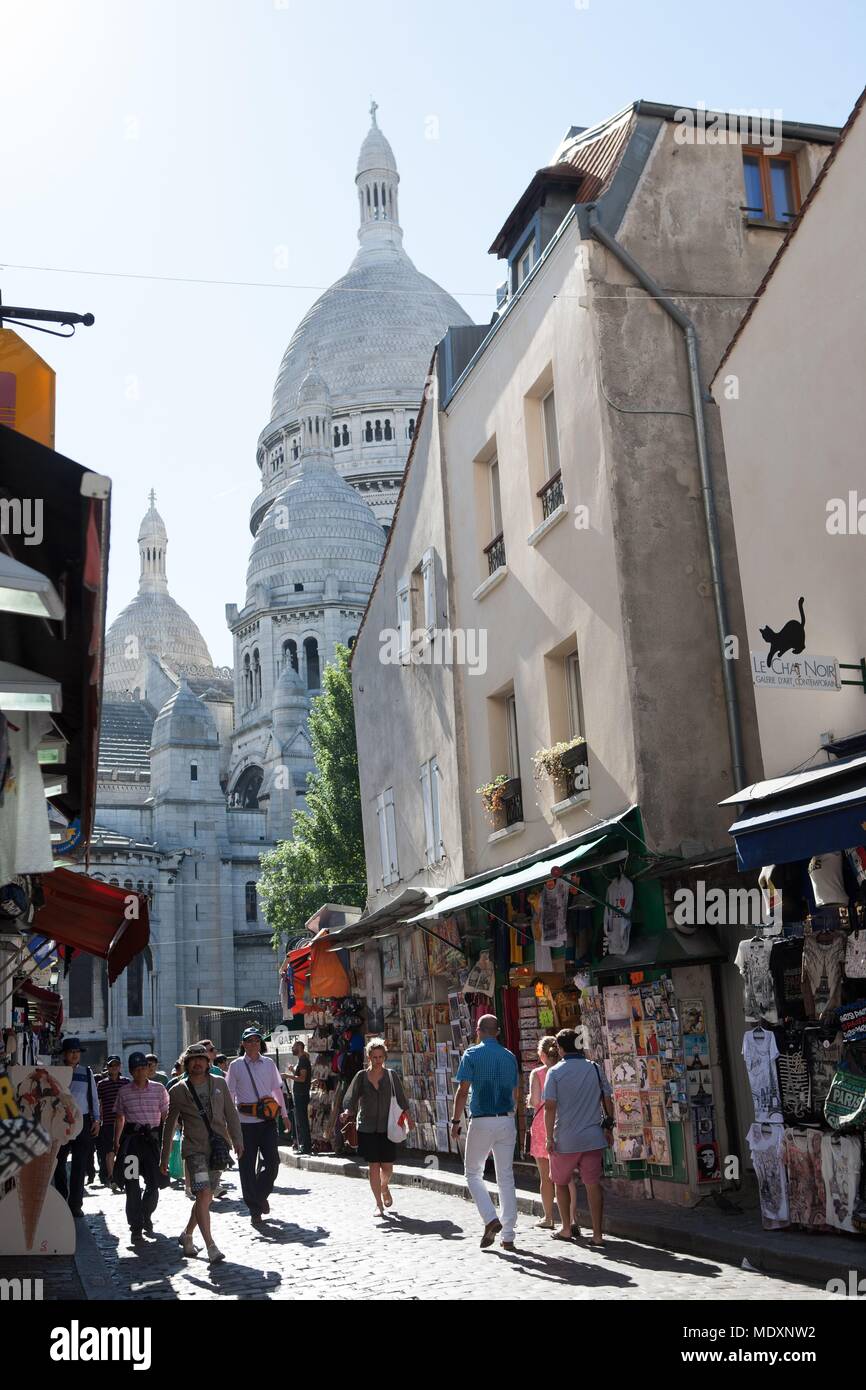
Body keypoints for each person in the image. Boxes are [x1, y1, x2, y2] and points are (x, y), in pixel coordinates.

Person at [160, 1043, 243, 1263]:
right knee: (203, 1194)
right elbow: (169, 1126)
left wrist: (238, 1140)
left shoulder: (219, 1083)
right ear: (186, 1064)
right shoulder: (178, 1090)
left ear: (208, 1062)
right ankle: (211, 1246)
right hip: (193, 1149)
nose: (197, 1062)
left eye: (201, 1058)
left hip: (217, 1149)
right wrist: (164, 1158)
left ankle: (187, 1235)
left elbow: (231, 1114)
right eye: (193, 1059)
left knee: (205, 1198)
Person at [450, 1015, 519, 1251]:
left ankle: (490, 1218)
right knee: (506, 1176)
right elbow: (516, 1091)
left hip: (481, 1120)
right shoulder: (509, 1057)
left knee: (472, 1173)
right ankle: (508, 1234)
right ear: (497, 1032)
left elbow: (462, 1091)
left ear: (478, 1031)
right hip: (506, 1119)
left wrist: (455, 1120)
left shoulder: (471, 1055)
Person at [543, 1028, 613, 1248]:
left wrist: (548, 1137)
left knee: (561, 1182)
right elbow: (607, 1099)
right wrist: (608, 1127)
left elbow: (550, 1108)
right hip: (592, 1137)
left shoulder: (554, 1073)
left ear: (561, 1048)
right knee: (593, 1185)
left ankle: (565, 1228)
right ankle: (598, 1234)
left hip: (565, 1139)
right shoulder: (594, 1068)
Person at [226, 1026, 289, 1227]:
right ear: (243, 1044)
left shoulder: (269, 1063)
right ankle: (254, 1209)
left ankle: (260, 1195)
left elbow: (277, 1091)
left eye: (256, 1040)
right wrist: (230, 1125)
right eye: (249, 1040)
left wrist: (285, 1115)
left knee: (273, 1163)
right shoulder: (235, 1066)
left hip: (268, 1122)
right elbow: (230, 1096)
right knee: (246, 1167)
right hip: (245, 1124)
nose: (253, 1043)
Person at [342, 1038, 413, 1216]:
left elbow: (401, 1099)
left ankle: (384, 1186)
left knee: (387, 1167)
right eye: (374, 1057)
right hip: (366, 1127)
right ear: (368, 1057)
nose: (378, 1060)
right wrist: (347, 1111)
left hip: (387, 1127)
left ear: (385, 1057)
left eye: (381, 1056)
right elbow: (351, 1097)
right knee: (373, 1166)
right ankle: (378, 1205)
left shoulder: (391, 1076)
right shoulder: (361, 1076)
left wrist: (408, 1118)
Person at [113, 1050, 169, 1244]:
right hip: (131, 1144)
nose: (140, 1072)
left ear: (148, 1069)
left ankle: (146, 1214)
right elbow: (119, 1117)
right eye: (136, 1069)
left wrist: (167, 1142)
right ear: (130, 1071)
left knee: (154, 1185)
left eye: (143, 1068)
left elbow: (166, 1116)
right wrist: (116, 1141)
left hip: (152, 1143)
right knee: (132, 1185)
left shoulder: (159, 1089)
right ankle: (135, 1226)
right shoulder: (124, 1092)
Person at [53, 1036, 100, 1218]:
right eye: (71, 1052)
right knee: (58, 1163)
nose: (74, 1055)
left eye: (77, 1052)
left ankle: (75, 1205)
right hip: (60, 1122)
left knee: (80, 1165)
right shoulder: (56, 1073)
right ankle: (61, 1198)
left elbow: (94, 1098)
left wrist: (96, 1120)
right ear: (64, 1054)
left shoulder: (87, 1073)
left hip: (83, 1122)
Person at [96, 1056, 130, 1188]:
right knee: (110, 1151)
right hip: (109, 1122)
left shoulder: (126, 1082)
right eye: (111, 1065)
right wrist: (98, 1120)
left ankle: (125, 1177)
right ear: (108, 1067)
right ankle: (111, 1177)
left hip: (126, 1122)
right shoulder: (102, 1084)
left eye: (116, 1065)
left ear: (120, 1066)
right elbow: (99, 1103)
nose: (114, 1067)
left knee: (125, 1150)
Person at [285, 1038, 312, 1155]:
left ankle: (306, 1147)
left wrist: (287, 1076)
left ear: (300, 1048)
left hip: (301, 1094)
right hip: (299, 1094)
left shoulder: (303, 1061)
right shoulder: (301, 1060)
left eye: (294, 1047)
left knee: (303, 1121)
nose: (292, 1049)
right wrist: (292, 1070)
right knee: (301, 1121)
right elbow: (300, 1074)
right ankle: (304, 1145)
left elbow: (302, 1078)